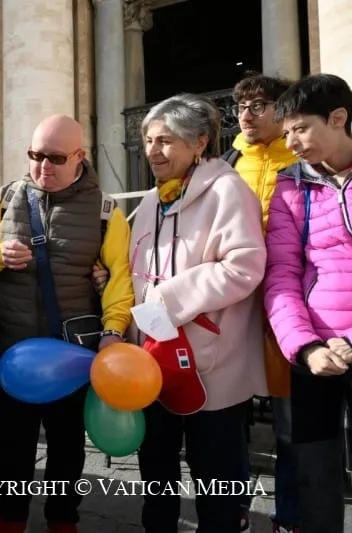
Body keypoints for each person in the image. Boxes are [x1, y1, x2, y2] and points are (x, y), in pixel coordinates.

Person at [0, 114, 134, 533]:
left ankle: (63, 518)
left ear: (79, 156)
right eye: (36, 155)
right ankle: (11, 515)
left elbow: (119, 277)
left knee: (65, 443)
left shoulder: (106, 211)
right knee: (11, 441)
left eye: (55, 158)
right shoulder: (3, 197)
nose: (43, 166)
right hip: (13, 346)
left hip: (70, 352)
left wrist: (113, 331)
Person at [127, 94, 267, 533]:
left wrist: (170, 296)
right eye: (149, 140)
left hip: (211, 362)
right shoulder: (151, 200)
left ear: (199, 142)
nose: (153, 150)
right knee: (157, 471)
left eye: (165, 141)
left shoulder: (228, 190)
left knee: (217, 477)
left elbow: (245, 266)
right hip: (153, 360)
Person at [264, 73, 352, 533]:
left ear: (338, 118)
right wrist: (305, 346)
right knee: (315, 473)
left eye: (300, 128)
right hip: (315, 353)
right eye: (287, 133)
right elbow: (281, 275)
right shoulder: (290, 186)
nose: (292, 142)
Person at [224, 73, 300, 533]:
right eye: (241, 108)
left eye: (258, 106)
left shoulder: (302, 156)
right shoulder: (230, 160)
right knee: (232, 416)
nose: (248, 116)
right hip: (238, 302)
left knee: (290, 418)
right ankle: (233, 511)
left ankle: (289, 515)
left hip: (288, 304)